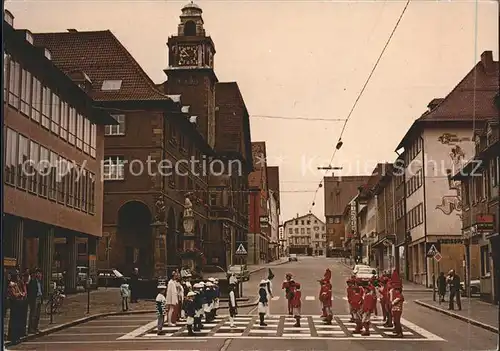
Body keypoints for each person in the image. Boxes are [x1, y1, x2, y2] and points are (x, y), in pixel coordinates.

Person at [7, 272, 24, 344]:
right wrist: (20, 294)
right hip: (14, 304)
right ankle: (13, 337)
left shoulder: (16, 284)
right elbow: (14, 295)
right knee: (14, 321)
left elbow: (20, 292)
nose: (18, 278)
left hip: (18, 304)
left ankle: (16, 336)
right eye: (17, 276)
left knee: (17, 321)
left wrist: (20, 294)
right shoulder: (11, 285)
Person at [27, 268, 43, 334]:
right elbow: (30, 291)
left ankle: (35, 328)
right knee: (33, 314)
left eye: (40, 274)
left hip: (39, 298)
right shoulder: (33, 281)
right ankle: (31, 329)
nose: (40, 275)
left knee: (37, 315)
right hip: (34, 299)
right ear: (36, 274)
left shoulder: (40, 282)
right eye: (38, 273)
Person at [389, 270, 404, 338]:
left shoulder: (400, 296)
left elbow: (395, 301)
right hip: (395, 310)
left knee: (397, 321)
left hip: (398, 310)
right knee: (395, 321)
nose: (396, 291)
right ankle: (397, 332)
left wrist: (392, 303)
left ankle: (400, 333)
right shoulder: (397, 295)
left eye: (397, 290)